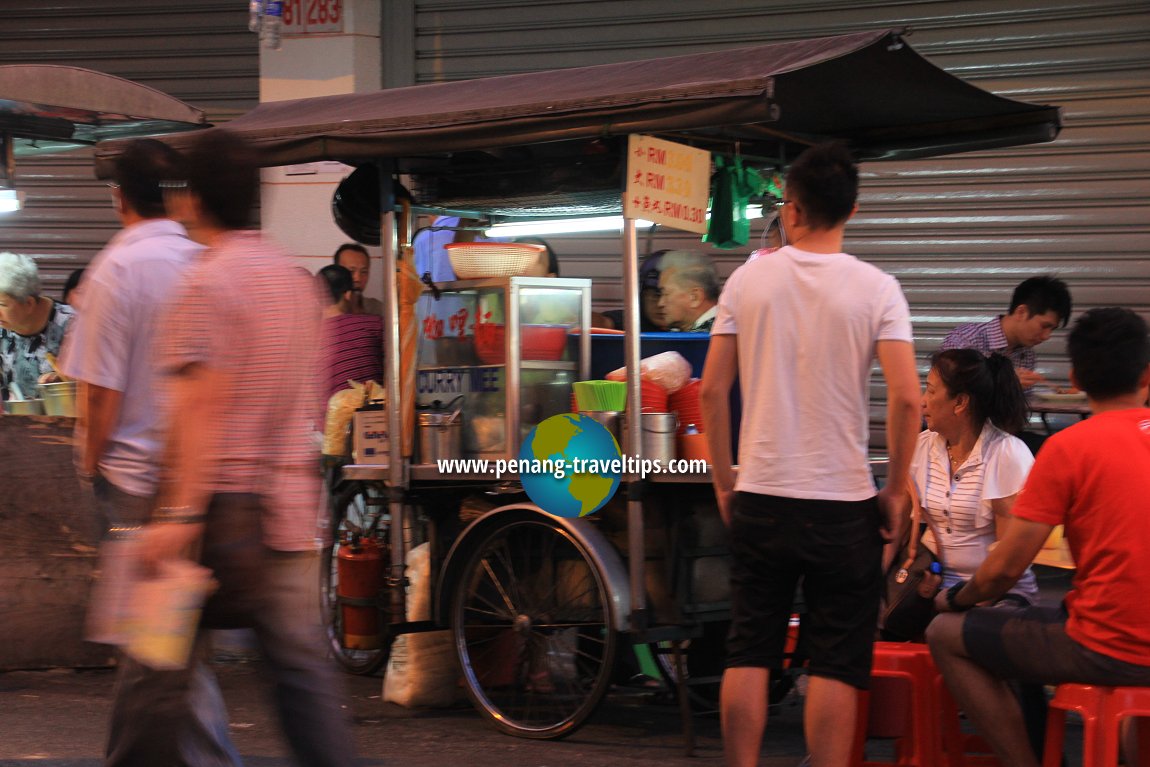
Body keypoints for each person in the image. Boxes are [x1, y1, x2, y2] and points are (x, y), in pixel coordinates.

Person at [135, 128, 357, 766]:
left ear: (192, 199)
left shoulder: (207, 283)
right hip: (290, 501)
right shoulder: (294, 282)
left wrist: (175, 515)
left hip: (220, 511)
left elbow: (199, 410)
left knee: (158, 663)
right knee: (301, 672)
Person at [700, 141, 921, 767]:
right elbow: (908, 399)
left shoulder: (748, 280)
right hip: (842, 503)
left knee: (749, 648)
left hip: (762, 495)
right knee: (835, 659)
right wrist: (897, 490)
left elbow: (713, 388)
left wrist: (725, 483)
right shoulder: (878, 289)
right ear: (850, 209)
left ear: (791, 210)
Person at [57, 138, 241, 766]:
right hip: (201, 476)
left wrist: (89, 462)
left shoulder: (115, 270)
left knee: (155, 645)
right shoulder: (202, 260)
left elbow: (99, 395)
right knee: (171, 637)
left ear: (117, 199)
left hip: (135, 479)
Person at [928, 307, 1150, 767]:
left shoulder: (1069, 448)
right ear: (1147, 375)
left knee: (944, 632)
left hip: (1105, 646)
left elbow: (1006, 569)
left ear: (1075, 376)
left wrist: (954, 600)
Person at [909, 349, 1037, 605]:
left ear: (960, 402)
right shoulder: (920, 447)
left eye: (931, 391)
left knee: (947, 631)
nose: (922, 401)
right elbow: (900, 527)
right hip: (929, 587)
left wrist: (959, 602)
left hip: (993, 594)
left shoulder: (1006, 454)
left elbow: (1008, 560)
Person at [940, 276, 1072, 389]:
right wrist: (1006, 383)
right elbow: (948, 392)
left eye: (1052, 329)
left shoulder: (1027, 355)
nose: (1046, 336)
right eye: (1044, 326)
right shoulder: (967, 340)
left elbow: (1018, 409)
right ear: (1021, 312)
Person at [0, 251, 75, 402]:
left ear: (29, 304)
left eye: (2, 304)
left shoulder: (74, 326)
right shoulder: (3, 328)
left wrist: (66, 382)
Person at [317, 263, 384, 401]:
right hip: (373, 417)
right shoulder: (374, 324)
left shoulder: (307, 340)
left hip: (329, 420)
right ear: (347, 294)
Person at [598, 251, 670, 332]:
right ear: (642, 296)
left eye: (668, 295)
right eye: (656, 295)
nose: (661, 304)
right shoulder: (631, 321)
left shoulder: (686, 328)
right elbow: (602, 323)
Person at [658, 250, 720, 332]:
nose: (660, 303)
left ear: (695, 297)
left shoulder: (713, 336)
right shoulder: (724, 328)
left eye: (666, 294)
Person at [332, 241, 383, 316]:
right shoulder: (323, 311)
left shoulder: (377, 309)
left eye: (364, 272)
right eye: (351, 271)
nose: (358, 279)